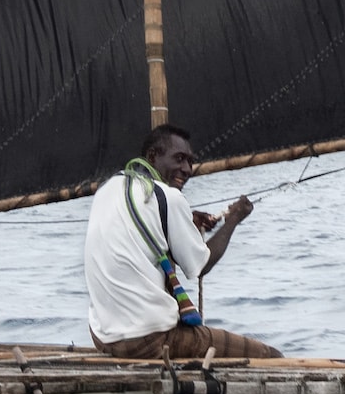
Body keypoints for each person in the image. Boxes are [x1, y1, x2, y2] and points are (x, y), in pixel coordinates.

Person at [85, 122, 283, 360]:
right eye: (179, 159)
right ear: (152, 156)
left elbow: (143, 222)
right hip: (150, 340)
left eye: (190, 161)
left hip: (103, 337)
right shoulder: (170, 198)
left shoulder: (109, 188)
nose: (187, 168)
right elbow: (200, 266)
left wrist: (186, 219)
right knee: (269, 355)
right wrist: (234, 219)